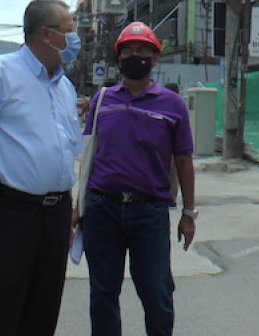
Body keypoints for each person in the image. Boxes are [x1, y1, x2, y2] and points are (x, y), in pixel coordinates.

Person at [0, 0, 83, 335]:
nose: (75, 38)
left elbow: (63, 150)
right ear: (46, 34)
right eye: (69, 31)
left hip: (55, 213)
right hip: (11, 210)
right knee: (0, 305)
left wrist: (68, 207)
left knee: (44, 306)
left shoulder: (64, 87)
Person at [74, 22, 196, 336]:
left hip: (150, 213)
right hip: (103, 209)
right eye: (128, 51)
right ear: (119, 57)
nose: (135, 56)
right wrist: (78, 205)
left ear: (155, 59)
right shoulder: (102, 102)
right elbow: (88, 156)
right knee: (102, 295)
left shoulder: (173, 105)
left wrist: (188, 214)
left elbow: (184, 161)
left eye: (143, 51)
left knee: (156, 295)